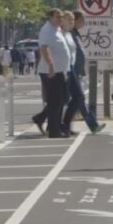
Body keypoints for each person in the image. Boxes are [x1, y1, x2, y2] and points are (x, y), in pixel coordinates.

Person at [62, 11, 106, 135]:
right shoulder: (69, 34)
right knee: (78, 99)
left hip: (77, 72)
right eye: (81, 20)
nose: (83, 23)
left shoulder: (75, 34)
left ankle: (66, 125)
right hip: (71, 71)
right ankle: (91, 125)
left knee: (78, 100)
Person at [32, 9, 71, 138]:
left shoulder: (57, 29)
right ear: (50, 17)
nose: (60, 19)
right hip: (51, 71)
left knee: (63, 98)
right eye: (57, 16)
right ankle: (54, 130)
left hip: (61, 70)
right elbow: (44, 47)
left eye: (61, 16)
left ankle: (41, 117)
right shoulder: (47, 30)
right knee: (55, 101)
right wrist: (51, 64)